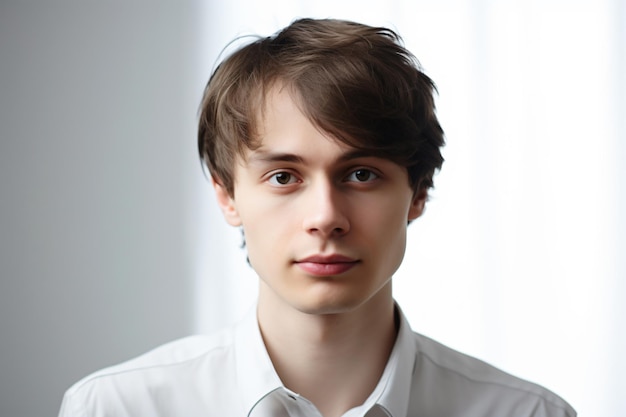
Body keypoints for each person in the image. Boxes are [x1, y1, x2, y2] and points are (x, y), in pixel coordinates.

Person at [58, 18, 576, 417]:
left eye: (362, 174)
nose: (325, 218)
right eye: (284, 177)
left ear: (418, 192)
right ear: (226, 195)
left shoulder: (528, 413)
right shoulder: (116, 408)